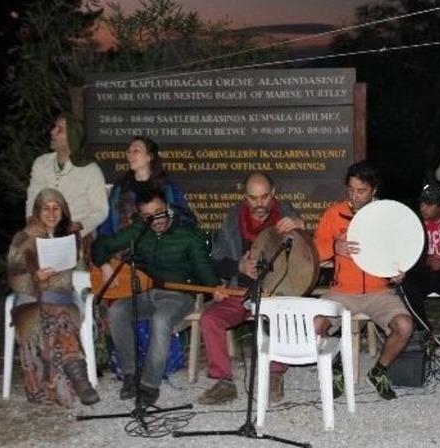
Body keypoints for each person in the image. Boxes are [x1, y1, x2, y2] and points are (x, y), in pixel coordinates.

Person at [92, 187, 220, 406]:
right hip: (147, 293)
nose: (155, 219)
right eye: (148, 216)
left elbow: (204, 270)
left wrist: (214, 287)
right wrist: (104, 264)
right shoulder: (139, 230)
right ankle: (131, 375)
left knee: (161, 320)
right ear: (141, 216)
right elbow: (100, 245)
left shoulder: (189, 235)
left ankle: (150, 385)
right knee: (117, 311)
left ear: (167, 207)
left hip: (180, 297)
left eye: (159, 212)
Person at [197, 172, 304, 405]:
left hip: (276, 291)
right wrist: (239, 266)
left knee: (282, 315)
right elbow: (217, 261)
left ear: (273, 193)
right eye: (253, 198)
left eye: (264, 197)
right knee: (210, 318)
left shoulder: (285, 213)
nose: (259, 204)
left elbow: (309, 253)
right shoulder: (233, 216)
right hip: (241, 291)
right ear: (245, 197)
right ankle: (224, 381)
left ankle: (275, 374)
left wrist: (301, 227)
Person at [314, 161, 413, 401]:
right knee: (316, 325)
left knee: (404, 326)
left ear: (374, 190)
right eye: (351, 190)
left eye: (361, 191)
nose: (354, 195)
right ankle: (337, 368)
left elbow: (400, 252)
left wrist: (398, 272)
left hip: (379, 292)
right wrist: (334, 247)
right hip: (342, 292)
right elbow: (314, 252)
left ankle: (378, 371)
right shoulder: (334, 213)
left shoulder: (387, 216)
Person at [7, 188, 100, 406]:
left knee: (60, 315)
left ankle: (76, 380)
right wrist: (35, 277)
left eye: (56, 208)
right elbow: (13, 277)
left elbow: (80, 272)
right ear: (37, 211)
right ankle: (78, 379)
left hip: (63, 299)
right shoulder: (23, 238)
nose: (51, 213)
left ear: (63, 210)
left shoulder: (70, 236)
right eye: (45, 208)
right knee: (59, 319)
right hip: (33, 301)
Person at [26, 113, 108, 238]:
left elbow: (100, 211)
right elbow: (33, 197)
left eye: (59, 129)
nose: (52, 132)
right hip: (44, 234)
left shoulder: (90, 170)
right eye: (54, 127)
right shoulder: (41, 163)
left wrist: (79, 226)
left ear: (72, 137)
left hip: (77, 237)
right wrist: (32, 222)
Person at [98, 136, 196, 236]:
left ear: (150, 156)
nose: (130, 155)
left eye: (136, 150)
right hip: (127, 244)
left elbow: (185, 218)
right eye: (128, 151)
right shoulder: (120, 188)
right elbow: (108, 223)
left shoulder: (166, 187)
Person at [402, 181, 440, 346]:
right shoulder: (415, 221)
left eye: (429, 204)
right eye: (422, 203)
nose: (423, 207)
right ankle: (424, 332)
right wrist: (427, 260)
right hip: (424, 270)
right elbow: (407, 250)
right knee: (406, 286)